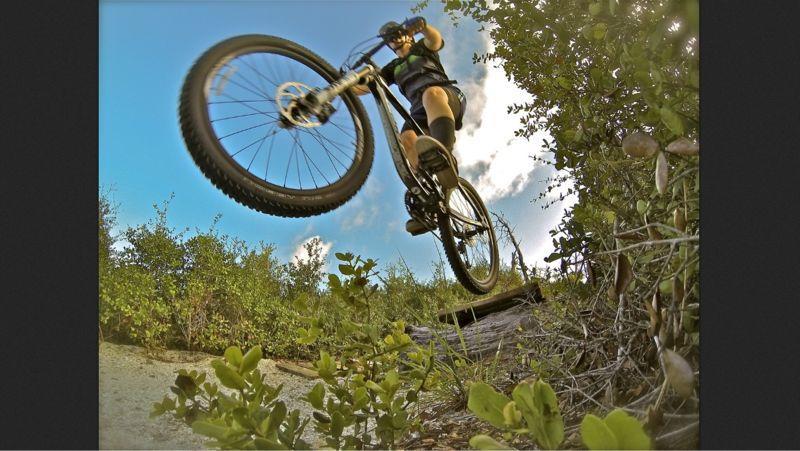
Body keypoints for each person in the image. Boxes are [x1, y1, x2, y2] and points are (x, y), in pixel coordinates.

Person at [352, 17, 466, 235]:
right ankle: (426, 199)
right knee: (406, 140)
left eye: (395, 33)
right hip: (420, 112)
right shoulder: (393, 68)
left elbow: (435, 39)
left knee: (431, 94)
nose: (393, 38)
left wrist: (422, 26)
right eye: (388, 38)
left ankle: (445, 157)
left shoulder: (423, 49)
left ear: (408, 34)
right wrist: (341, 82)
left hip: (446, 97)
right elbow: (362, 89)